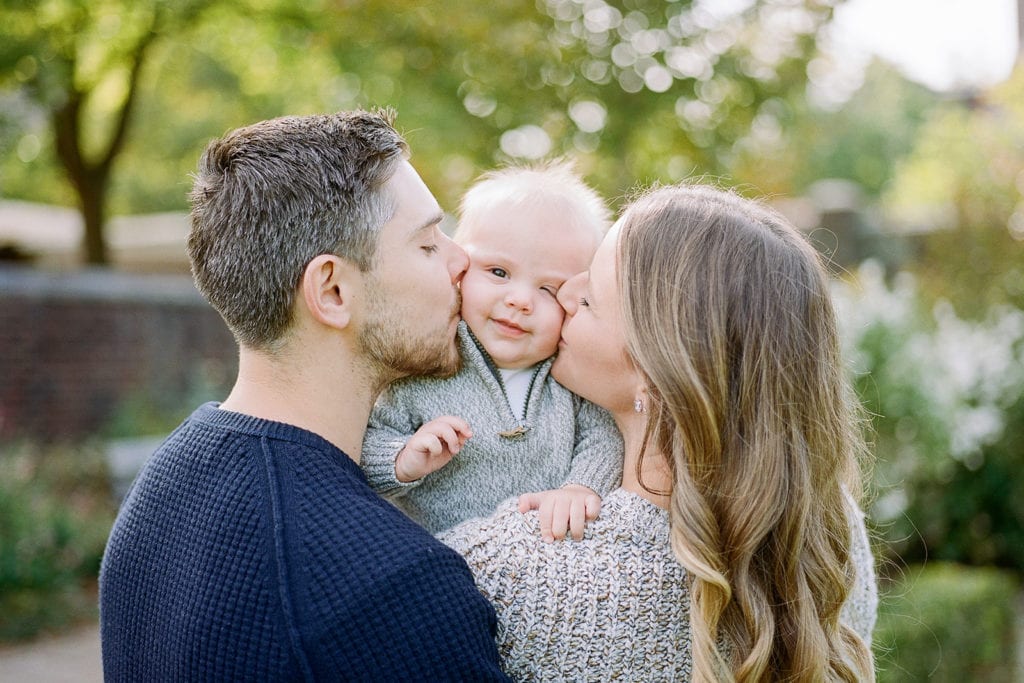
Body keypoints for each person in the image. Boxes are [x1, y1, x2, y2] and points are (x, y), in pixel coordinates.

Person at [99, 110, 509, 681]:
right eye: (427, 243)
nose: (462, 259)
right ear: (333, 290)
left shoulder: (162, 488)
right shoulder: (398, 588)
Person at [441, 183, 879, 681]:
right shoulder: (828, 536)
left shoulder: (509, 571)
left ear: (654, 375)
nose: (564, 293)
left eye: (589, 299)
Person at [361, 162, 622, 538]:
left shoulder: (569, 374)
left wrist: (581, 486)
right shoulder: (424, 363)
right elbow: (363, 442)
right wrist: (401, 459)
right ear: (460, 267)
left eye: (547, 290)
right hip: (439, 565)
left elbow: (605, 436)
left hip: (542, 568)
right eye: (498, 272)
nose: (519, 301)